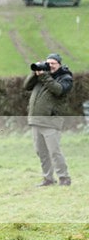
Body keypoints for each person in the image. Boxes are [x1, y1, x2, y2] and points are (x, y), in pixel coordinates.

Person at [24, 53, 72, 186]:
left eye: (53, 63)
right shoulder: (42, 76)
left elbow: (58, 90)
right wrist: (35, 73)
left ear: (59, 64)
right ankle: (48, 179)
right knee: (41, 152)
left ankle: (64, 178)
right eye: (48, 63)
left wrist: (44, 76)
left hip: (51, 121)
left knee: (54, 152)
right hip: (36, 120)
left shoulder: (65, 78)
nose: (50, 65)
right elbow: (26, 86)